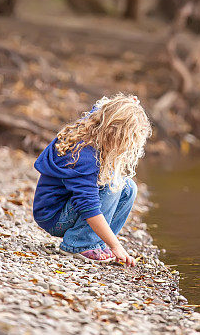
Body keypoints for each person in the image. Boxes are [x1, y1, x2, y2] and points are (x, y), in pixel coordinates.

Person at [32, 93, 152, 265]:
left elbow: (103, 109)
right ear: (113, 134)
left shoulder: (97, 124)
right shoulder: (85, 156)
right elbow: (88, 206)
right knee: (111, 184)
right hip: (53, 216)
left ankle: (96, 242)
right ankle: (79, 244)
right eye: (126, 142)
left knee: (128, 188)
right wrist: (116, 246)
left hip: (65, 208)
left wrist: (125, 105)